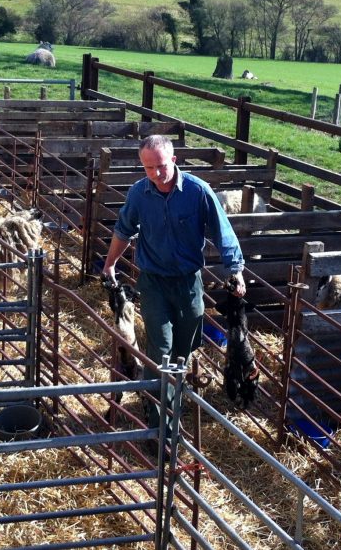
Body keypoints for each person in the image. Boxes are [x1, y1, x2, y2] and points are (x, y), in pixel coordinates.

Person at [102, 135, 246, 428]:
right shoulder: (139, 194)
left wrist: (236, 269)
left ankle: (163, 395)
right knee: (161, 350)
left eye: (161, 166)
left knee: (185, 348)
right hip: (153, 282)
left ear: (174, 160)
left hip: (188, 284)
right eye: (148, 168)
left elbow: (223, 231)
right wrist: (110, 263)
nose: (156, 174)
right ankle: (163, 426)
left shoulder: (197, 191)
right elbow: (123, 228)